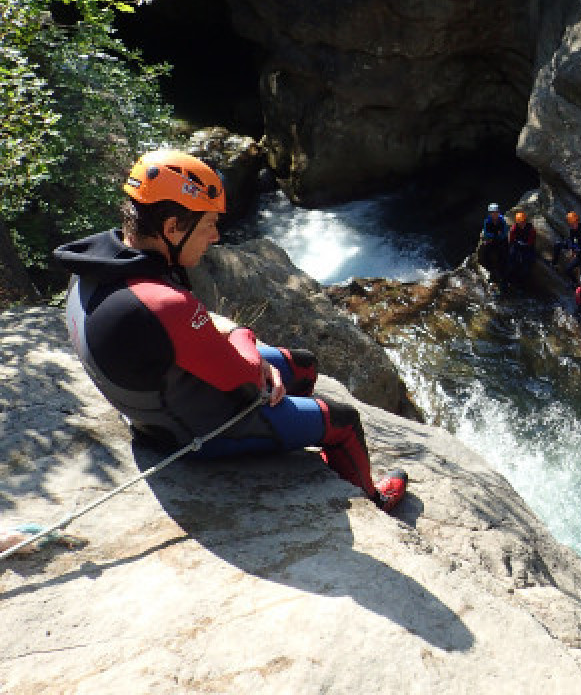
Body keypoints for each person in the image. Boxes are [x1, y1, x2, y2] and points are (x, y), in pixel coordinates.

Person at [52, 149, 408, 513]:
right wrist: (241, 334)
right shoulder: (164, 304)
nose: (216, 236)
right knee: (343, 420)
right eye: (208, 225)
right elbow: (245, 374)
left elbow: (175, 330)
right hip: (194, 431)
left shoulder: (94, 267)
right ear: (172, 228)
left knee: (302, 365)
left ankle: (293, 424)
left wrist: (236, 347)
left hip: (164, 401)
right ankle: (373, 498)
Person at [477, 202, 509, 288]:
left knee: (503, 255)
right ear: (490, 214)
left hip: (501, 240)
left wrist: (497, 236)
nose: (494, 214)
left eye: (496, 212)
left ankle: (504, 276)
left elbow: (505, 233)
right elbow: (486, 233)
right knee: (486, 252)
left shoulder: (502, 220)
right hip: (493, 240)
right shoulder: (487, 221)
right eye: (492, 213)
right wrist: (495, 235)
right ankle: (490, 271)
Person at [507, 210, 537, 287]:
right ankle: (509, 279)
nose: (522, 223)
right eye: (520, 221)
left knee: (527, 264)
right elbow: (511, 239)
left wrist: (524, 244)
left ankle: (520, 282)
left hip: (528, 247)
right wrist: (515, 244)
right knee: (512, 259)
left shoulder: (530, 229)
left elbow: (531, 241)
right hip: (517, 246)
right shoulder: (514, 228)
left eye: (523, 221)